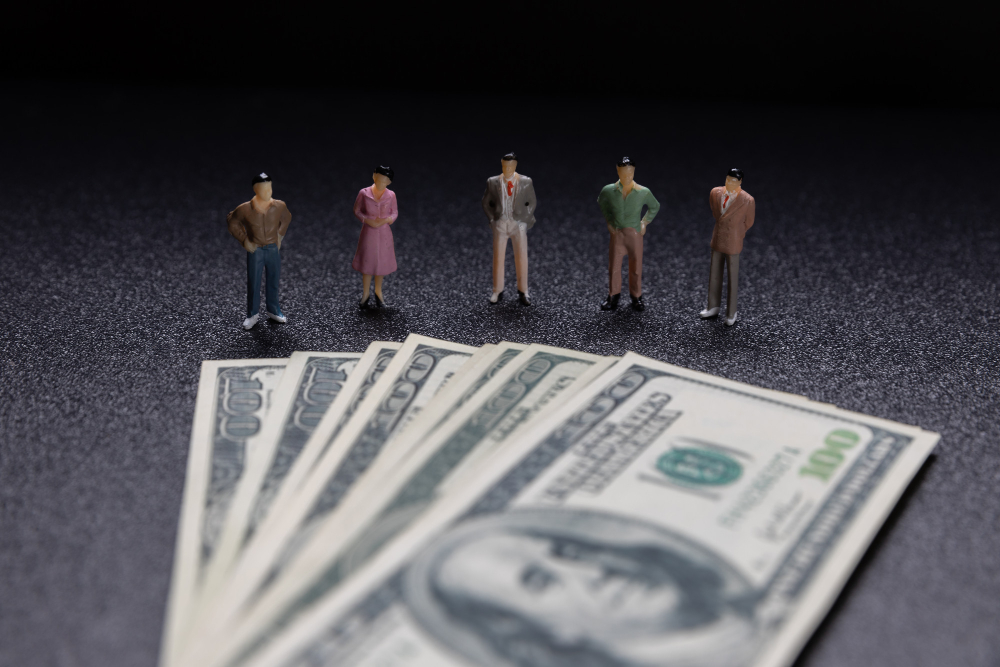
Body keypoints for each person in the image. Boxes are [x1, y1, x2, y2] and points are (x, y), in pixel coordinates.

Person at [407, 509, 757, 667]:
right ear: (550, 633)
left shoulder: (746, 615)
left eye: (566, 552)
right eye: (542, 582)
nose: (591, 570)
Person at [226, 173, 292, 330]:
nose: (268, 191)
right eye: (264, 188)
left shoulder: (279, 205)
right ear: (255, 189)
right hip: (255, 249)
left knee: (273, 280)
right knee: (254, 282)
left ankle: (273, 309)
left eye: (270, 187)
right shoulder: (244, 209)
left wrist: (280, 235)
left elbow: (287, 218)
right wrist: (244, 240)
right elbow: (231, 221)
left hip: (272, 248)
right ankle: (252, 314)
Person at [597, 157, 660, 311]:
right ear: (618, 171)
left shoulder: (643, 192)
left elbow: (654, 206)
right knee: (614, 266)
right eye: (623, 174)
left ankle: (636, 297)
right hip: (617, 234)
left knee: (636, 267)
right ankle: (613, 296)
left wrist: (644, 223)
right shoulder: (609, 190)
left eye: (630, 174)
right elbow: (602, 203)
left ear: (633, 172)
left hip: (634, 234)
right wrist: (609, 221)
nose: (627, 177)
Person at [700, 168, 755, 326]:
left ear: (740, 182)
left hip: (733, 241)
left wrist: (738, 233)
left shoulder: (747, 200)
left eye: (734, 181)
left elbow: (749, 222)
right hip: (718, 239)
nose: (730, 183)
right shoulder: (715, 193)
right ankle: (713, 306)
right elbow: (715, 212)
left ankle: (731, 313)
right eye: (728, 179)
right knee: (714, 275)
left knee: (732, 278)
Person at [481, 152, 537, 305]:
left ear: (515, 165)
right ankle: (497, 290)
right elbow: (486, 202)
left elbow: (531, 202)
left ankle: (523, 291)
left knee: (522, 257)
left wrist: (525, 219)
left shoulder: (526, 182)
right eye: (505, 165)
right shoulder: (493, 182)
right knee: (498, 258)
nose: (508, 168)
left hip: (518, 224)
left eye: (511, 166)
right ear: (502, 164)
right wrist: (492, 219)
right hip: (501, 223)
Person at [352, 165, 398, 309]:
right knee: (367, 263)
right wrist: (367, 220)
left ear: (389, 182)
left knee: (381, 265)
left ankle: (379, 293)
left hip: (384, 233)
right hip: (368, 232)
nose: (380, 183)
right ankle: (365, 295)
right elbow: (357, 210)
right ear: (374, 176)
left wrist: (386, 220)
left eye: (384, 181)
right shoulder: (364, 193)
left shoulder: (391, 195)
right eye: (378, 179)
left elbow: (394, 212)